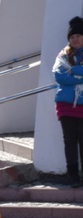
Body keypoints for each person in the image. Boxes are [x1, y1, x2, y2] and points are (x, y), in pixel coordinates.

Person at [52, 16, 83, 187]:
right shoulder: (63, 55)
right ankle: (73, 175)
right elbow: (59, 76)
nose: (75, 39)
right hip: (65, 103)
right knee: (69, 139)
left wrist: (74, 71)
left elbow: (68, 74)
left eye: (78, 35)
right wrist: (80, 78)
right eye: (72, 37)